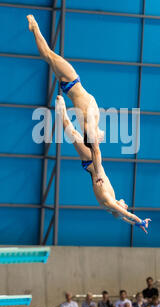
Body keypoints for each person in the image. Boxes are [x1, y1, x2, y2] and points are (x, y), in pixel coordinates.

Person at [27, 14, 104, 184]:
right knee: (47, 56)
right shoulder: (92, 125)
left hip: (72, 81)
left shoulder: (90, 127)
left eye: (99, 139)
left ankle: (35, 26)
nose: (102, 137)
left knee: (49, 55)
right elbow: (96, 151)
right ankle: (34, 27)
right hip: (69, 87)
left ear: (92, 140)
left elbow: (96, 153)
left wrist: (98, 173)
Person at [57, 95, 151, 230]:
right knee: (74, 134)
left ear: (118, 209)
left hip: (90, 162)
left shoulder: (109, 201)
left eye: (124, 206)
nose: (125, 204)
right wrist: (136, 224)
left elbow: (125, 214)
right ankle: (73, 118)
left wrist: (140, 220)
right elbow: (124, 217)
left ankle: (63, 111)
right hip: (91, 165)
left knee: (72, 132)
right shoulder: (111, 205)